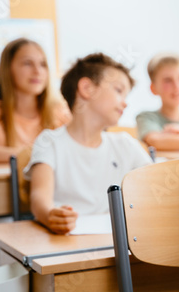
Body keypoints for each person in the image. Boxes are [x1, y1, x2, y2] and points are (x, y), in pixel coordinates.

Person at [24, 53, 152, 234]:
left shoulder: (125, 144)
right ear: (87, 88)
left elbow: (155, 186)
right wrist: (50, 215)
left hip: (118, 241)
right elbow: (39, 198)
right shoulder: (49, 142)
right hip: (66, 241)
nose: (125, 103)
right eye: (118, 90)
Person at [0, 38, 71, 163]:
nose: (37, 71)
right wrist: (35, 154)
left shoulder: (60, 111)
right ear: (8, 69)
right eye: (27, 63)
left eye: (43, 64)